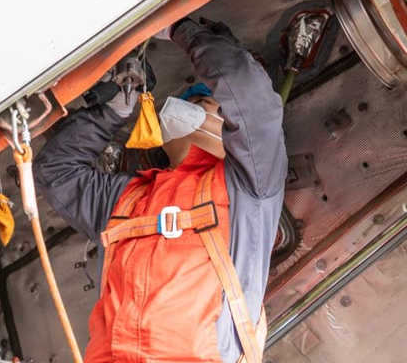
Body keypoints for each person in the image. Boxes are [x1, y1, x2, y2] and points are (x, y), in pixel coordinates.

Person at [34, 18, 287, 363]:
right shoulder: (128, 197)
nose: (188, 107)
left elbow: (251, 99)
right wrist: (113, 112)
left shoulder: (249, 189)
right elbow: (55, 172)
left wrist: (180, 27)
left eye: (204, 104)